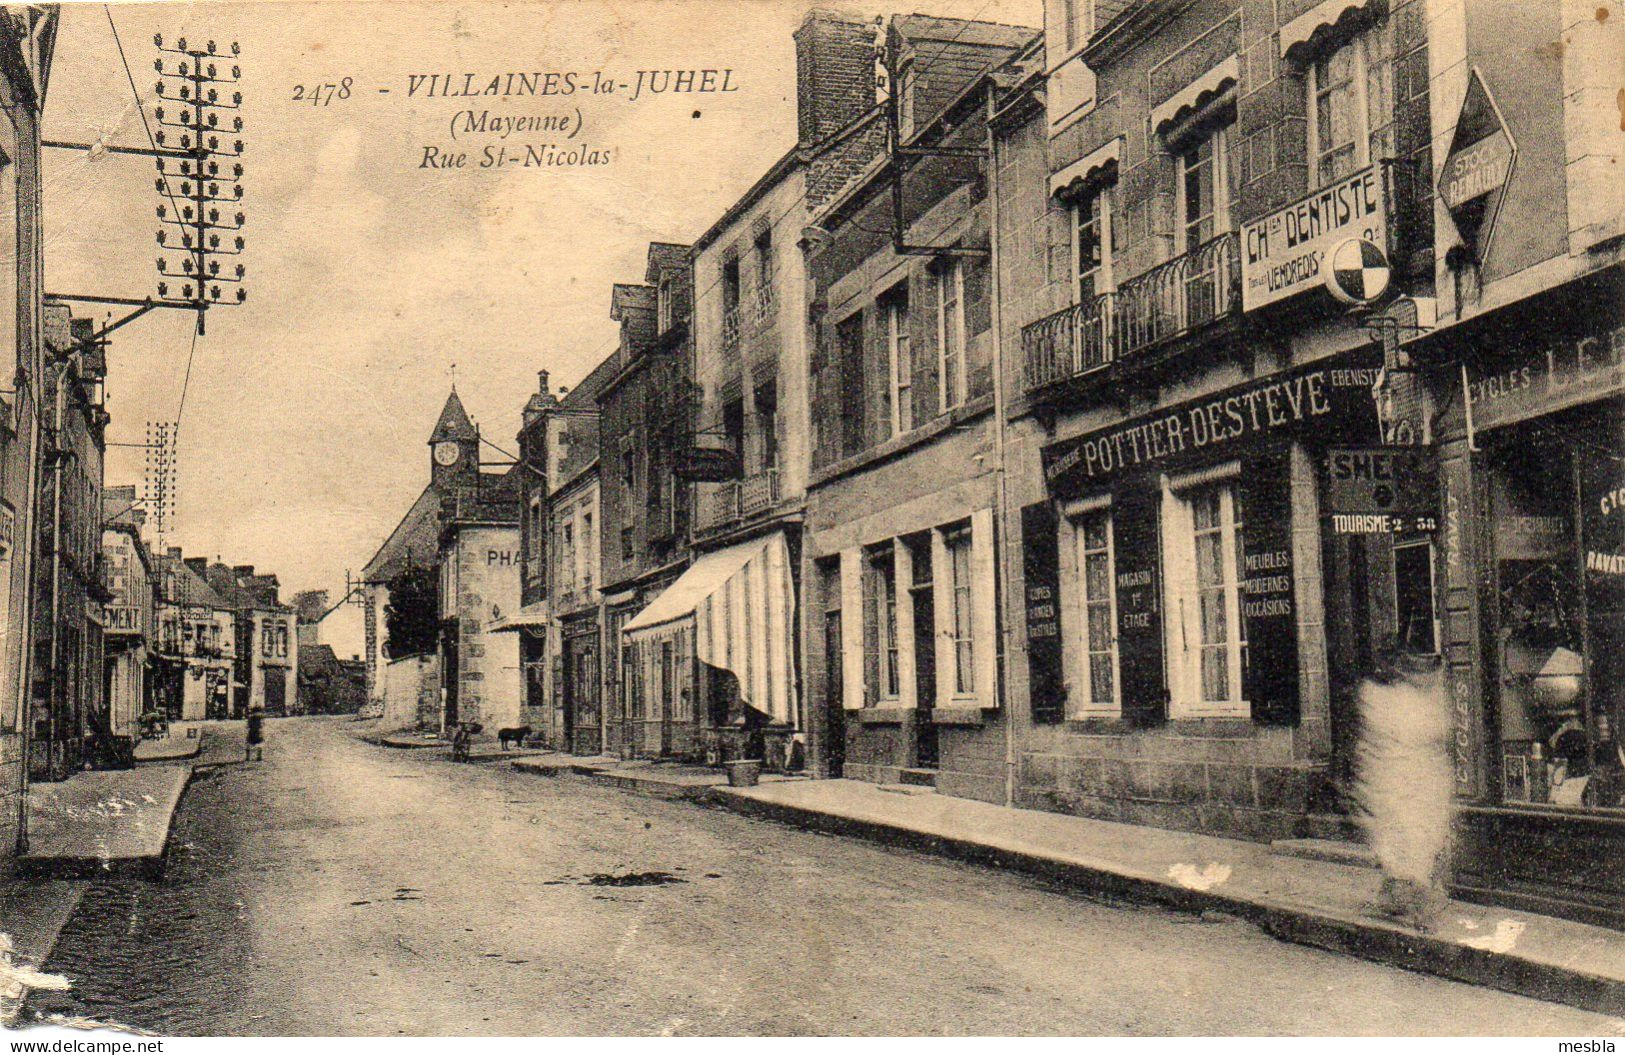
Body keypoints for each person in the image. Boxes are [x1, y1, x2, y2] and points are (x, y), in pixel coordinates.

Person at [1355, 637, 1453, 930]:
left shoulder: (1386, 699)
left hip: (1412, 778)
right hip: (1402, 777)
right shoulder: (1394, 699)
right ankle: (1405, 899)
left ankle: (1417, 902)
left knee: (1411, 840)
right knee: (1405, 840)